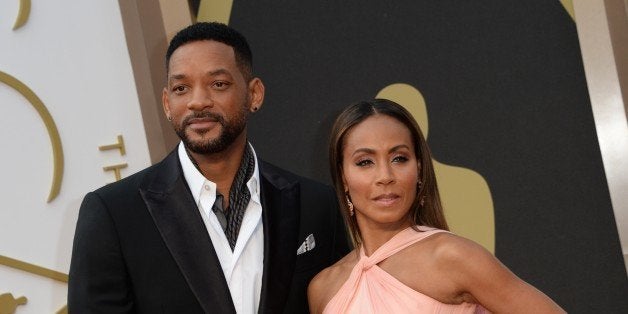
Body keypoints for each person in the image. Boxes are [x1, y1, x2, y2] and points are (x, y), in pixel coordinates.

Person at [68, 22, 349, 314]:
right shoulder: (114, 214)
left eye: (218, 84)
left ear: (254, 94)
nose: (198, 102)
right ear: (167, 103)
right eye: (181, 88)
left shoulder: (317, 205)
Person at [308, 99, 565, 313]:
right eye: (365, 162)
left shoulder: (451, 256)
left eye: (399, 158)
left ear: (419, 169)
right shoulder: (323, 288)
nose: (385, 175)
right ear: (343, 178)